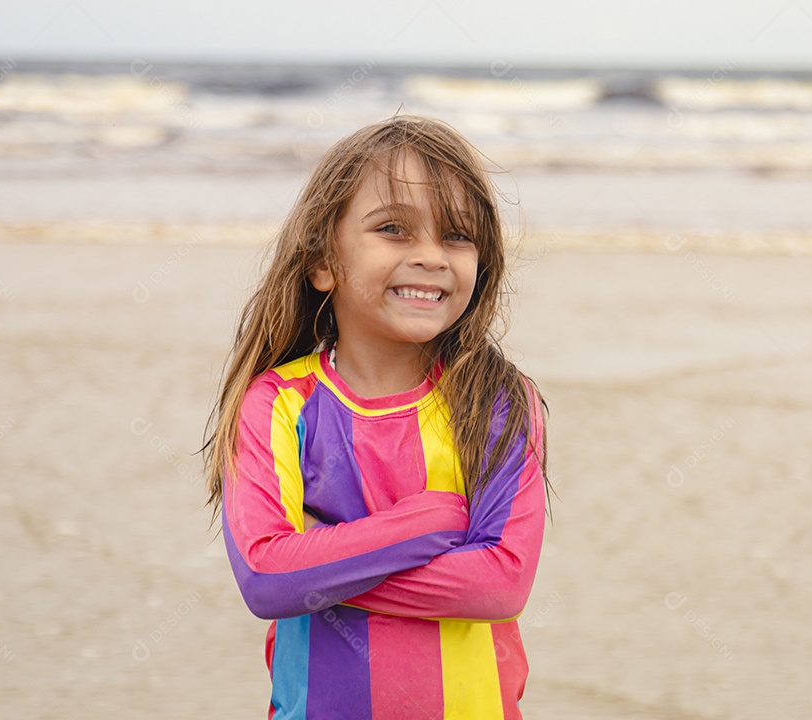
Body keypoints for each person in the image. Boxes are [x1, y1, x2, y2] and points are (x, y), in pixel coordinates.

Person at [201, 114, 551, 720]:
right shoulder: (278, 404)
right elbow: (265, 578)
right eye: (393, 229)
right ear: (323, 261)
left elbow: (501, 584)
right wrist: (433, 521)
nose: (431, 257)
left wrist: (319, 566)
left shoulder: (496, 401)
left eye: (457, 236)